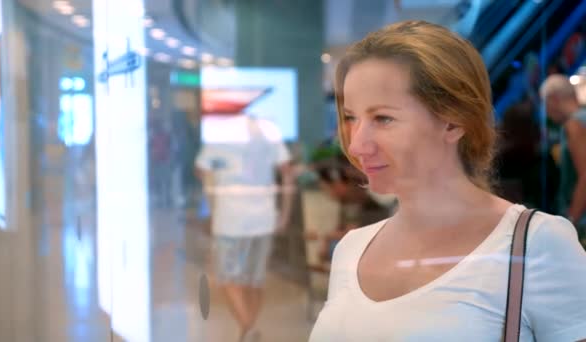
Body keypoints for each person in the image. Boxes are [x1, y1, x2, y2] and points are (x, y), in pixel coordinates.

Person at [309, 20, 586, 341]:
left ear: (453, 122)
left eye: (383, 118)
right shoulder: (351, 250)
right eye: (351, 118)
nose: (356, 145)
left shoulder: (536, 245)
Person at [195, 113, 293, 342]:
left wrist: (211, 206)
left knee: (228, 278)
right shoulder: (269, 130)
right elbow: (287, 173)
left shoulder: (219, 135)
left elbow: (202, 171)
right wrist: (285, 214)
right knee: (254, 280)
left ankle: (248, 329)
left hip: (230, 218)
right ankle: (248, 330)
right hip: (264, 217)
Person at [539, 74, 586, 243]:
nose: (545, 111)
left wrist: (571, 221)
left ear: (554, 99)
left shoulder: (574, 125)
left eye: (545, 104)